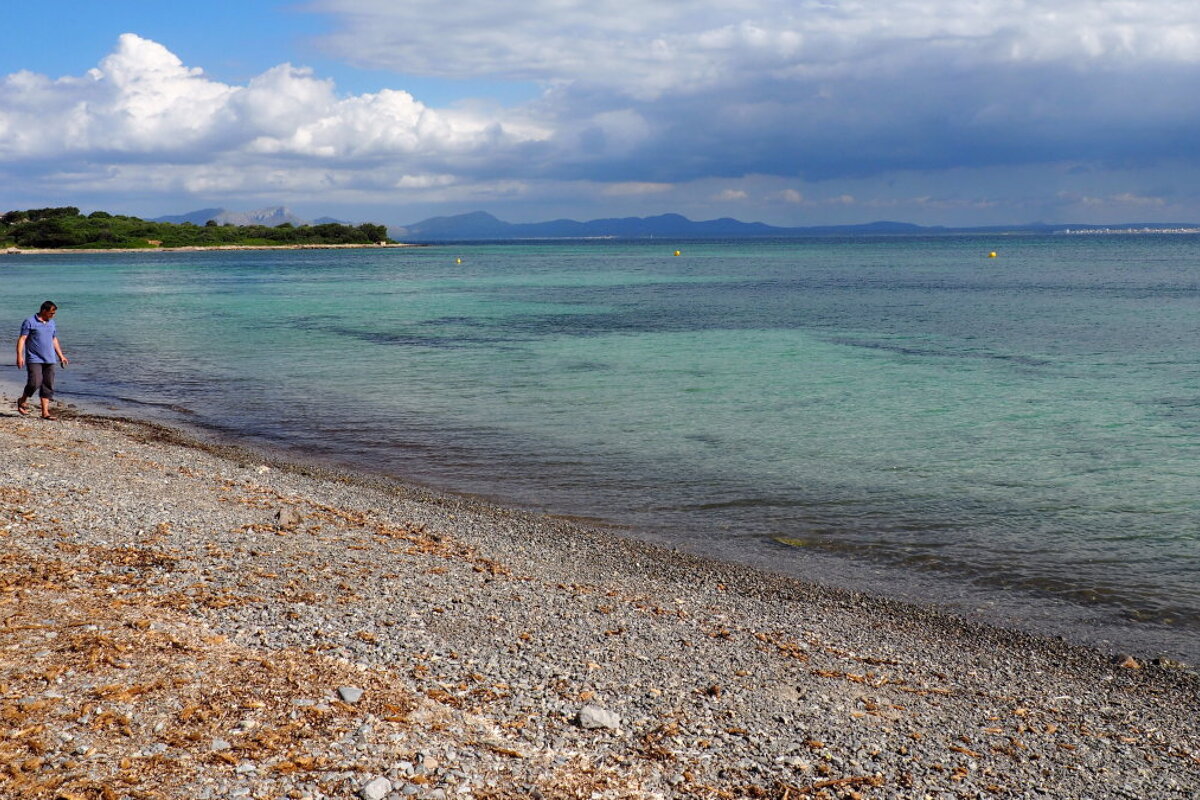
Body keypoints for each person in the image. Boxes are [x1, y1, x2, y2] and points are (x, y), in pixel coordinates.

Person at [16, 300, 68, 420]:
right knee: (34, 382)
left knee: (48, 385)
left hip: (50, 359)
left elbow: (54, 339)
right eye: (51, 313)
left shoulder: (52, 323)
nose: (53, 316)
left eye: (54, 313)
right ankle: (22, 400)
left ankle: (45, 412)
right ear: (44, 311)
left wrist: (61, 356)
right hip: (34, 358)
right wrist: (19, 355)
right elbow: (22, 339)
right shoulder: (30, 322)